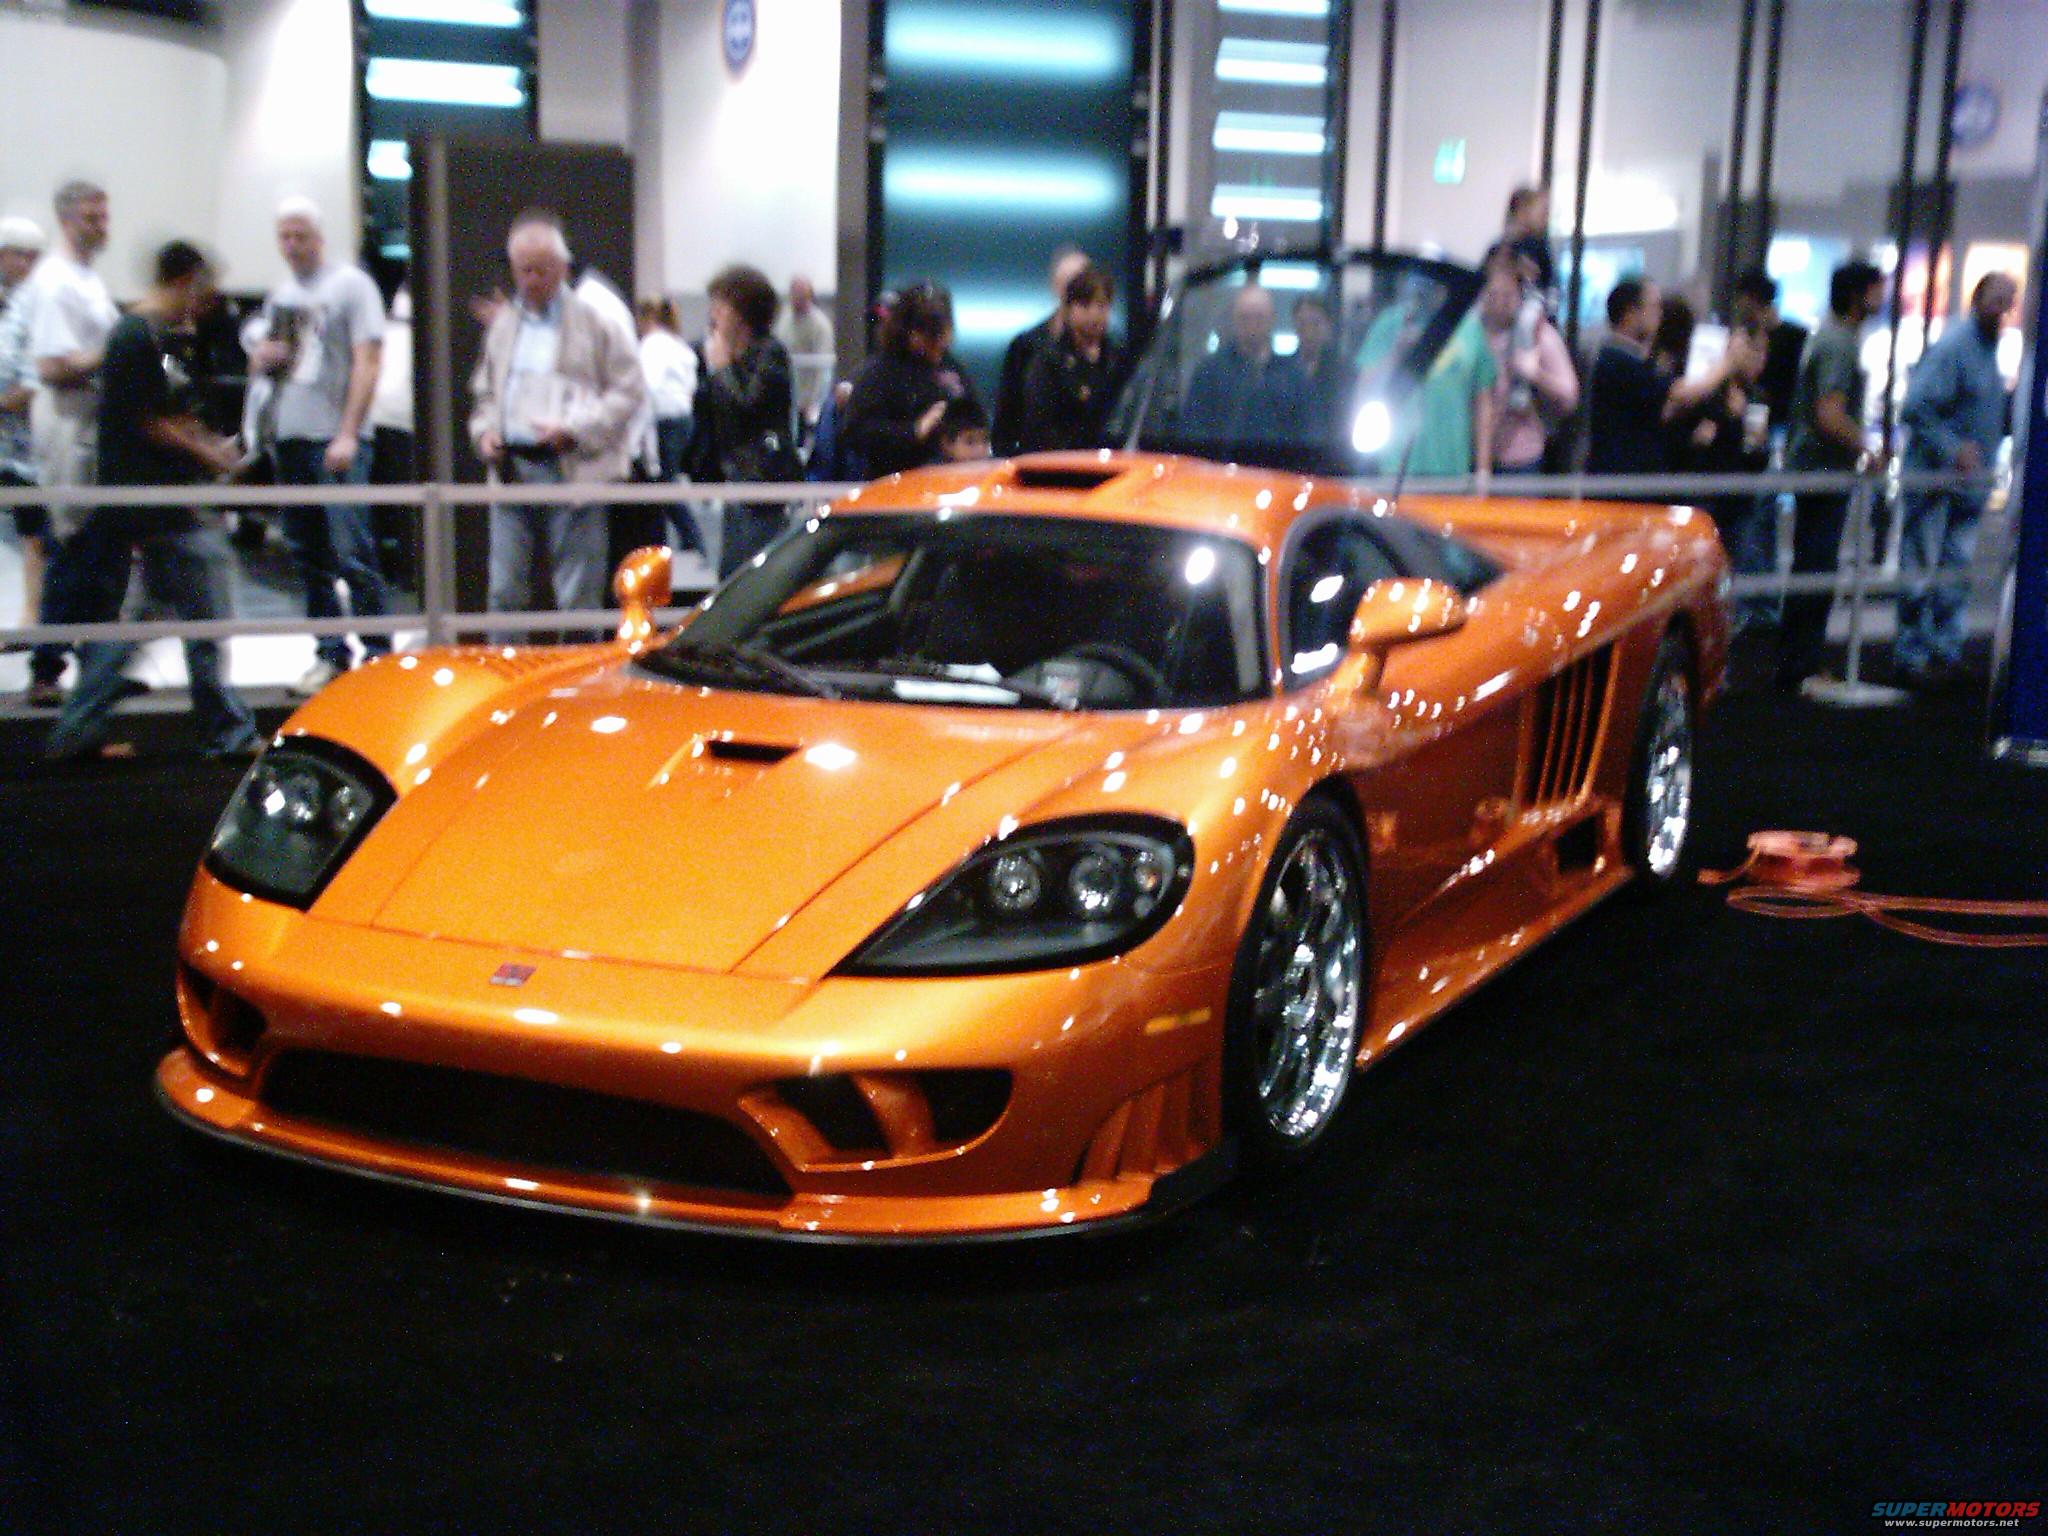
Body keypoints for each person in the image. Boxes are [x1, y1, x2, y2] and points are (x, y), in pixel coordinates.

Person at [44, 241, 258, 762]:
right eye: (202, 290)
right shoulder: (135, 338)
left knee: (144, 621)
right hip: (161, 504)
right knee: (205, 617)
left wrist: (207, 445)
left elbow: (165, 412)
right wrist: (211, 454)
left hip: (161, 502)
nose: (203, 305)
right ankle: (225, 731)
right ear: (185, 280)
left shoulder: (148, 338)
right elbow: (148, 421)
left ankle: (77, 727)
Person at [469, 211, 645, 632]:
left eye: (541, 270)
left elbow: (629, 391)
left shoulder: (596, 320)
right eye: (522, 270)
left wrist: (577, 430)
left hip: (572, 473)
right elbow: (484, 393)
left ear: (563, 268)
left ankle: (579, 674)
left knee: (578, 598)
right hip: (511, 470)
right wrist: (484, 433)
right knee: (504, 592)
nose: (531, 280)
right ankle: (505, 669)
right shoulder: (504, 325)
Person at [246, 197, 393, 696]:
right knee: (307, 553)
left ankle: (377, 655)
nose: (292, 245)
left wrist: (348, 431)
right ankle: (330, 653)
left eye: (301, 236)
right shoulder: (282, 295)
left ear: (319, 237)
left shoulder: (352, 286)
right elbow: (269, 368)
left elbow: (368, 360)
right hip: (289, 437)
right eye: (285, 236)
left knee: (351, 549)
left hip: (334, 438)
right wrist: (262, 358)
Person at [1895, 270, 2018, 684]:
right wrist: (1953, 448)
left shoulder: (1982, 347)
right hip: (1935, 480)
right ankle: (1913, 655)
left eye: (2008, 303)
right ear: (1977, 300)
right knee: (1924, 566)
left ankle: (1940, 651)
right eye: (1998, 301)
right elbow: (1914, 408)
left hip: (1963, 485)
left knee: (1952, 570)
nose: (2003, 311)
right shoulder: (1957, 347)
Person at [24, 181, 119, 707]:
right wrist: (120, 346)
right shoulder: (56, 281)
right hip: (69, 427)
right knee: (72, 547)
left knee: (95, 553)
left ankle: (91, 668)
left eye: (103, 217)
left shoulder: (85, 279)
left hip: (89, 427)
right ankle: (47, 667)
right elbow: (52, 366)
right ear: (65, 220)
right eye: (91, 218)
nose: (102, 227)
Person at [1779, 258, 1887, 692]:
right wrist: (1867, 447)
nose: (1882, 297)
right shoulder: (1839, 343)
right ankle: (1801, 664)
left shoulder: (1828, 336)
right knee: (1816, 566)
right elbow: (1829, 414)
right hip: (1821, 469)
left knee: (1810, 565)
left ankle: (1798, 662)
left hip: (1814, 466)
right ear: (1858, 294)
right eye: (1876, 289)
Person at [1585, 277, 1756, 478]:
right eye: (1654, 307)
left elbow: (1663, 409)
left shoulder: (1632, 359)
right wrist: (1728, 362)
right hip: (1620, 478)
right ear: (1630, 314)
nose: (1660, 315)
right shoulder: (1619, 360)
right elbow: (1680, 393)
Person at [695, 263, 799, 576]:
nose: (713, 314)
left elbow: (748, 407)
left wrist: (722, 370)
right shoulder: (731, 355)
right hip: (736, 480)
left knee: (751, 573)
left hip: (762, 482)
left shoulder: (769, 353)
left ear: (741, 313)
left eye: (721, 306)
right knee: (731, 572)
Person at [1727, 268, 1811, 624]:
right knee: (1760, 518)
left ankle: (1757, 605)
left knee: (1758, 517)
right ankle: (1760, 604)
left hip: (1772, 430)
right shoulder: (1792, 335)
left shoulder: (1787, 338)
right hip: (1769, 429)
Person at [844, 281, 980, 479]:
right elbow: (856, 432)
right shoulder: (882, 372)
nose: (938, 345)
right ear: (909, 332)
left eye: (942, 335)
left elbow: (974, 413)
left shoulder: (951, 368)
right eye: (930, 337)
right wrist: (914, 430)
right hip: (897, 480)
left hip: (952, 477)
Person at [1477, 244, 1577, 474]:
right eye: (1492, 293)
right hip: (1473, 455)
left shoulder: (1538, 333)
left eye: (1507, 295)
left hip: (1520, 458)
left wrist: (1535, 374)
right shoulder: (1471, 332)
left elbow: (1569, 395)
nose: (1499, 302)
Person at [1014, 263, 1126, 453]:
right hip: (1063, 461)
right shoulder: (1050, 361)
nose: (1094, 315)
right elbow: (1038, 428)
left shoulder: (1119, 359)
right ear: (1068, 309)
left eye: (1101, 306)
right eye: (1084, 305)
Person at [993, 245, 1089, 455]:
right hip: (1036, 459)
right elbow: (1006, 418)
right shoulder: (1027, 346)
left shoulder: (1110, 352)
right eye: (1070, 286)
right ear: (1055, 287)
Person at [1181, 285, 1306, 445]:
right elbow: (1193, 431)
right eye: (1245, 318)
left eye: (1259, 317)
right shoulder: (1209, 373)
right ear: (1234, 320)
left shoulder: (1293, 376)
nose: (1252, 325)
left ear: (1272, 319)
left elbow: (1307, 432)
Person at [633, 296, 706, 564]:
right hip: (683, 419)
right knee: (666, 483)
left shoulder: (651, 345)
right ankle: (681, 542)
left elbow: (648, 386)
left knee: (662, 485)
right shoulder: (679, 345)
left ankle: (692, 541)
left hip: (662, 421)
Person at [1, 217, 47, 634]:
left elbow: (33, 383)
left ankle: (32, 616)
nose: (26, 265)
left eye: (34, 257)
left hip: (28, 443)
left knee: (33, 531)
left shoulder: (38, 307)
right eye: (19, 255)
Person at [774, 274, 835, 440]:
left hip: (808, 400)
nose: (797, 298)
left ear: (810, 296)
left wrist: (814, 402)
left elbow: (823, 368)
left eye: (801, 294)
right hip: (785, 396)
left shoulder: (820, 325)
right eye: (794, 293)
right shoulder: (783, 320)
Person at [1503, 185, 1557, 301]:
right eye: (1543, 212)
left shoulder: (1539, 248)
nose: (1546, 218)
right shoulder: (1504, 249)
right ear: (1522, 211)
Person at [935, 396, 992, 463]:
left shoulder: (996, 467)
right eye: (970, 442)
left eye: (985, 441)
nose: (980, 449)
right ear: (947, 444)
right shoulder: (933, 468)